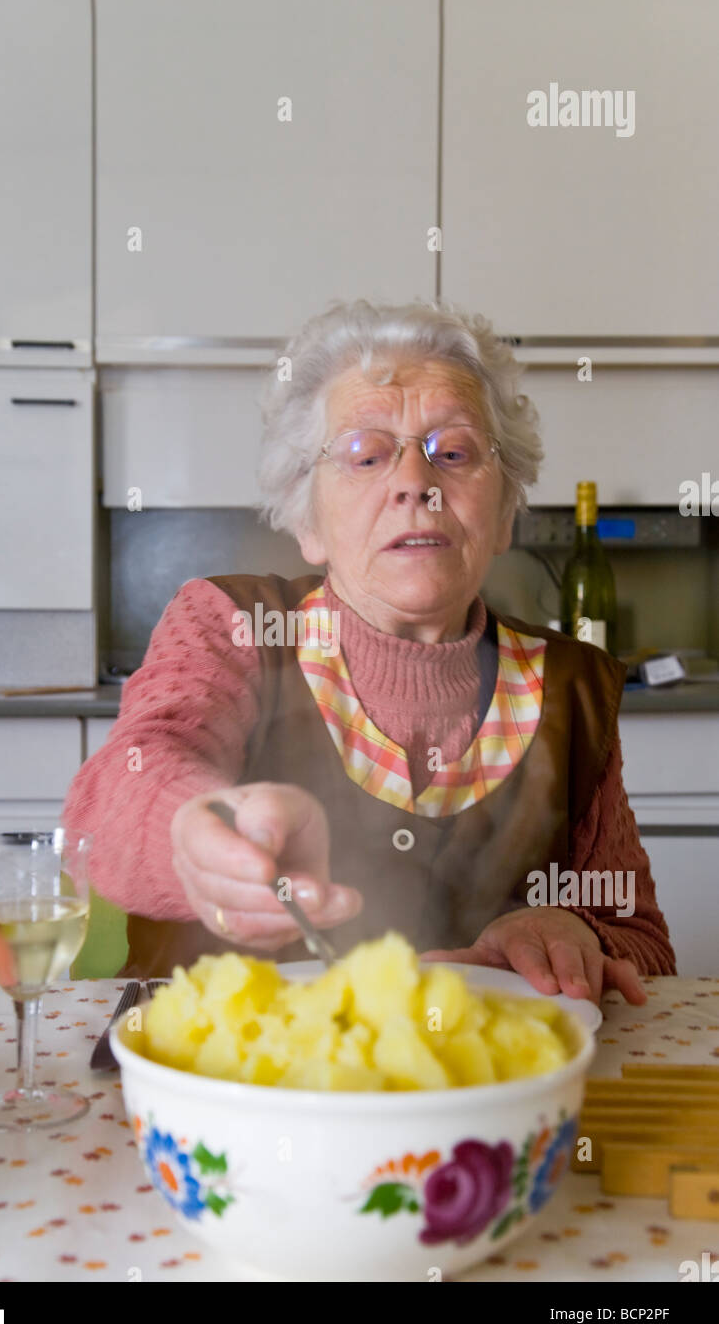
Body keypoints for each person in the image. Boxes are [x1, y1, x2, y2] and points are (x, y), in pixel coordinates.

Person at [63, 300, 675, 1006]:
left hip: (478, 1102)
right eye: (366, 454)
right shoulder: (232, 623)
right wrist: (192, 831)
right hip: (233, 1092)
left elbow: (646, 949)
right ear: (307, 520)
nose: (417, 482)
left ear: (505, 512)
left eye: (454, 451)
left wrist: (570, 931)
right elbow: (112, 797)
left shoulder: (573, 685)